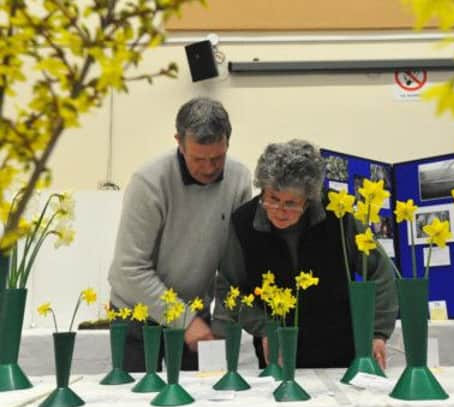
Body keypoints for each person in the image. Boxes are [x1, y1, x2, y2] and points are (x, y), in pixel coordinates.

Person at [214, 140, 398, 370]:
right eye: (272, 199)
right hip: (277, 356)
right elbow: (227, 289)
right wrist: (263, 328)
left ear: (310, 199)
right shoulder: (243, 223)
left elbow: (380, 271)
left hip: (342, 353)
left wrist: (377, 332)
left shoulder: (338, 214)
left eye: (291, 203)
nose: (280, 211)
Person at [108, 97, 252, 371]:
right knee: (136, 403)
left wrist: (221, 325)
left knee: (205, 401)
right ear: (179, 142)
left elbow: (233, 267)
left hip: (195, 310)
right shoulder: (149, 182)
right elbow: (130, 269)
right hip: (136, 313)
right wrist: (183, 321)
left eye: (217, 158)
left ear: (228, 143)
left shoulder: (239, 179)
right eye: (199, 158)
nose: (209, 168)